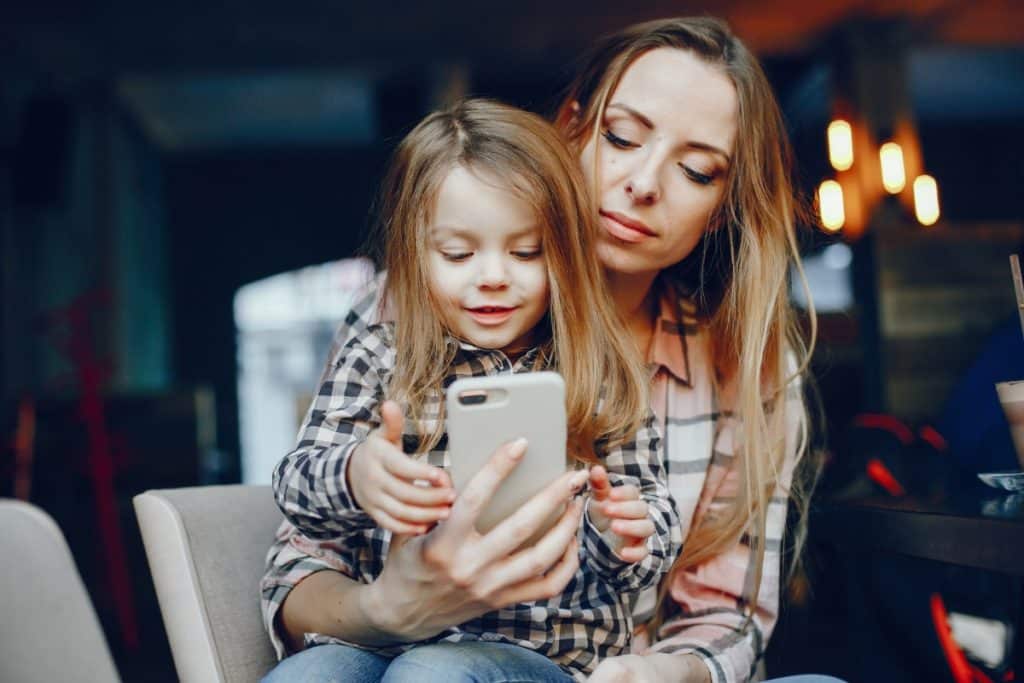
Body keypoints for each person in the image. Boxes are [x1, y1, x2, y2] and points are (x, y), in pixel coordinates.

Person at [262, 16, 835, 683]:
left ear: (723, 205)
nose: (645, 182)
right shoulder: (412, 310)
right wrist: (389, 600)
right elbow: (302, 546)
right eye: (621, 136)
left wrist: (659, 667)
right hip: (394, 644)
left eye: (698, 170)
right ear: (569, 127)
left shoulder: (729, 367)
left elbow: (724, 615)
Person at [270, 98, 681, 681]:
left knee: (432, 674)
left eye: (525, 251)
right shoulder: (379, 354)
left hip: (542, 652)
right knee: (304, 677)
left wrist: (628, 531)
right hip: (386, 641)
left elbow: (650, 527)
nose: (492, 275)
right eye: (458, 253)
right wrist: (353, 474)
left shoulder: (602, 371)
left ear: (563, 255)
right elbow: (293, 486)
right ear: (415, 252)